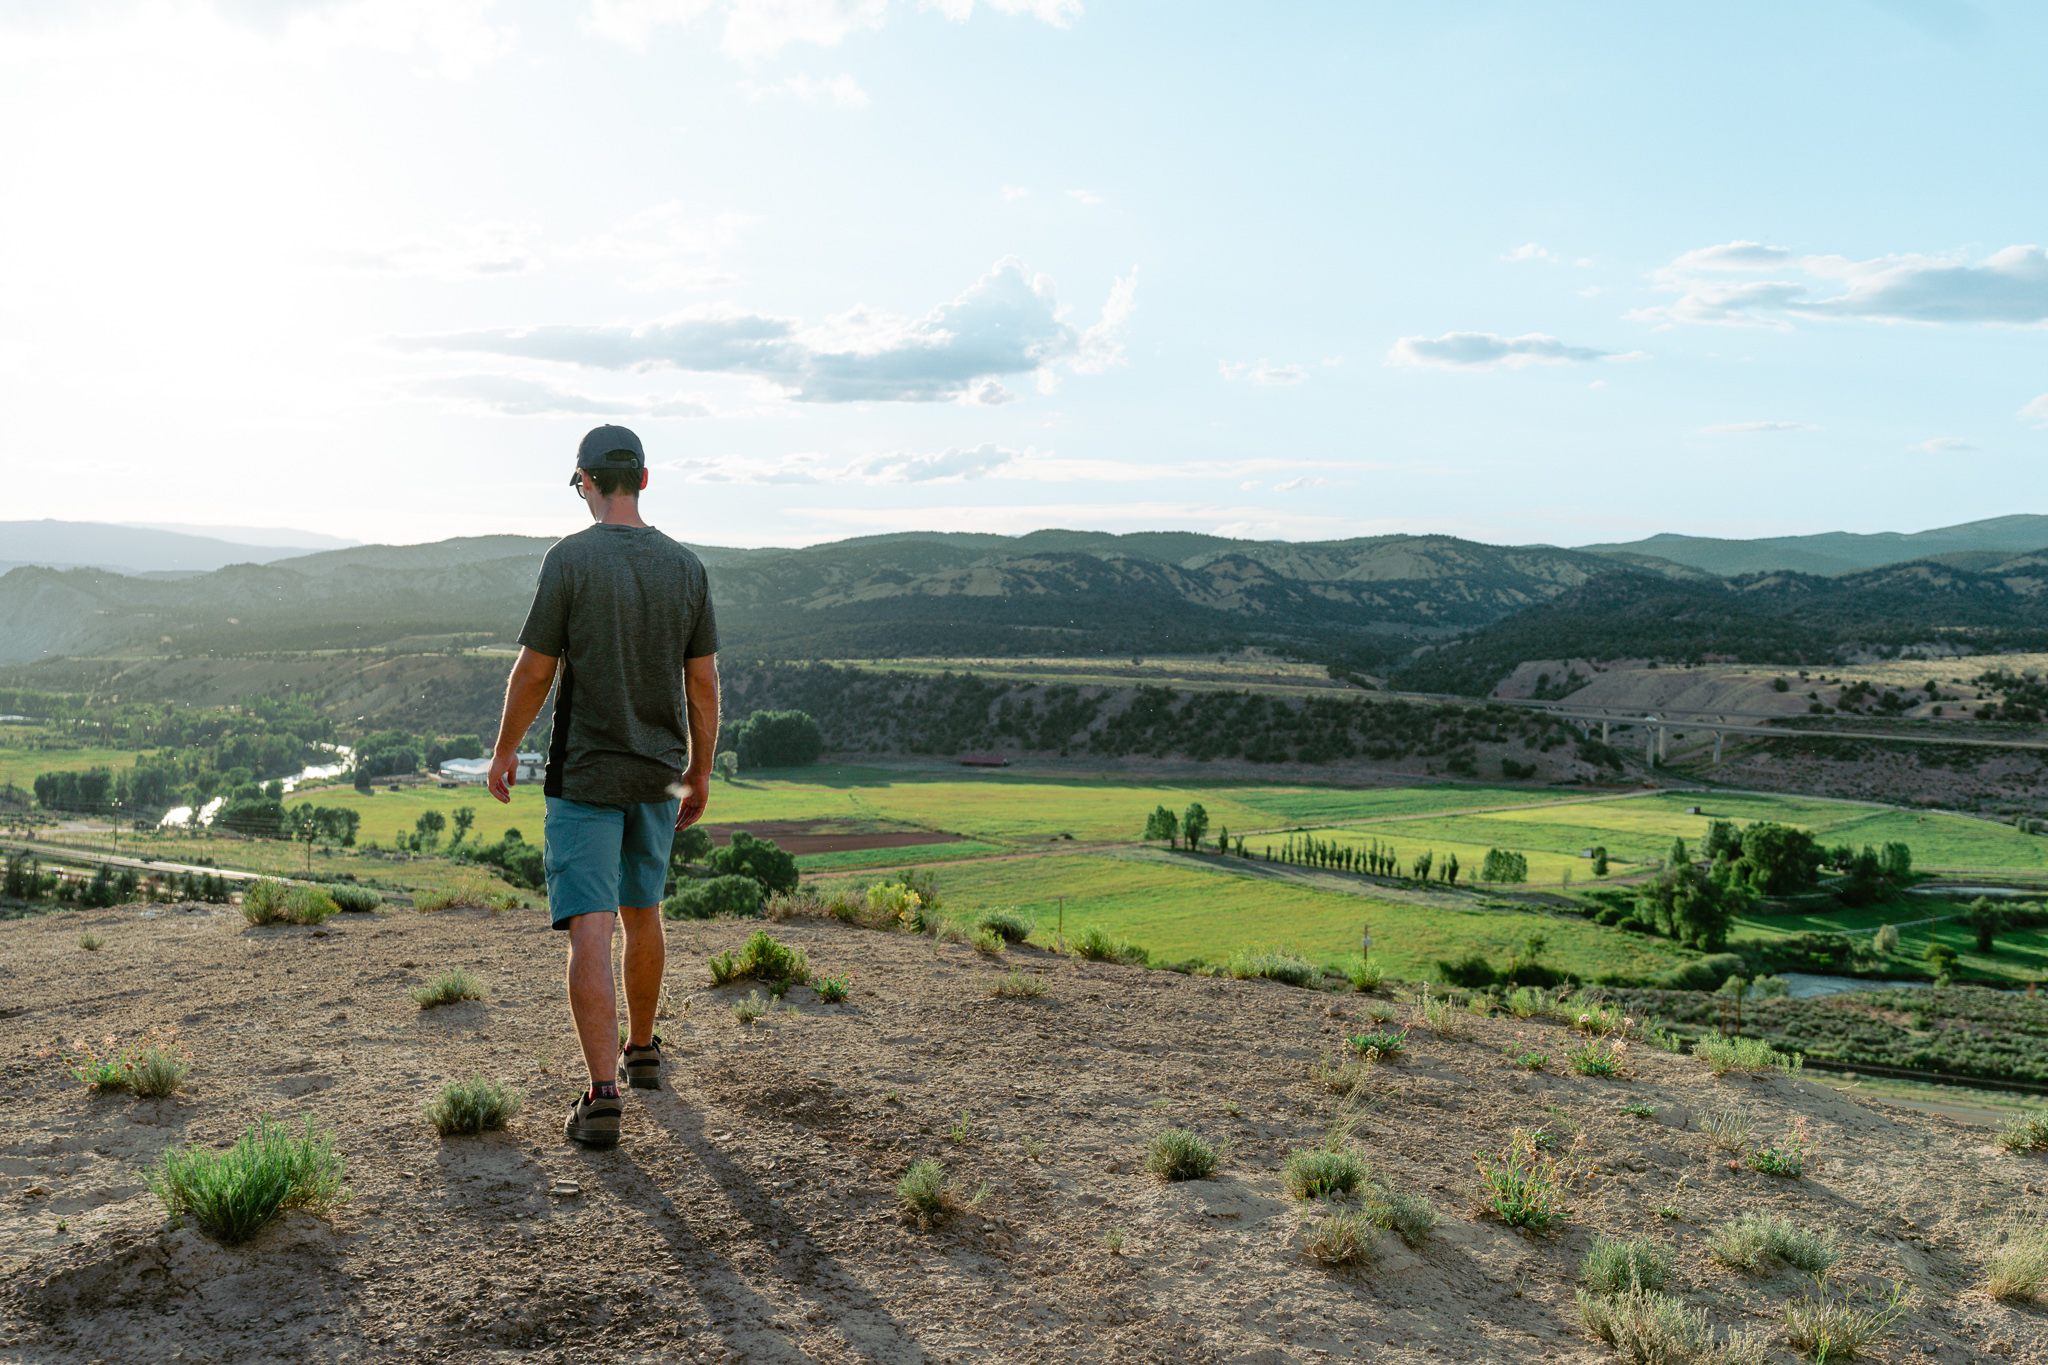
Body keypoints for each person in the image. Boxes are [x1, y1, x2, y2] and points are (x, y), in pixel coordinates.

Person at [487, 424, 719, 1148]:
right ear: (643, 480)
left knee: (592, 925)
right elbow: (703, 683)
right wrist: (701, 769)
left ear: (586, 481)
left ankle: (602, 1093)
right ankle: (643, 1048)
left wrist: (504, 750)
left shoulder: (570, 560)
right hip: (656, 774)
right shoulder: (686, 568)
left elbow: (534, 670)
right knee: (643, 910)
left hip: (584, 773)